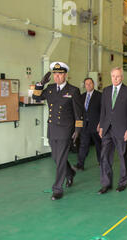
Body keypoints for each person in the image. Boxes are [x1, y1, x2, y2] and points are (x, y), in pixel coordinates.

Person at [32, 62, 84, 200]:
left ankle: (57, 189)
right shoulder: (49, 89)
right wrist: (40, 84)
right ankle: (70, 173)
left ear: (65, 75)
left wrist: (78, 129)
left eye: (60, 74)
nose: (57, 76)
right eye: (55, 74)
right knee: (56, 157)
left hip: (66, 130)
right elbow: (36, 97)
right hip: (52, 128)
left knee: (60, 158)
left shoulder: (73, 90)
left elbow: (79, 112)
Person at [98, 67, 127, 194]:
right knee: (104, 157)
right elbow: (103, 111)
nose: (115, 78)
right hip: (107, 129)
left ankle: (123, 183)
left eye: (118, 76)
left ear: (122, 77)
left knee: (123, 156)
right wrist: (102, 126)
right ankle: (106, 184)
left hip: (122, 129)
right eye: (113, 76)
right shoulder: (106, 91)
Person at [73, 78, 102, 171]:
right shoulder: (82, 97)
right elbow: (79, 113)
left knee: (99, 145)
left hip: (96, 126)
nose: (88, 85)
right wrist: (77, 126)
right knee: (83, 145)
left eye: (90, 83)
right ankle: (80, 164)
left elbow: (104, 111)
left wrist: (101, 124)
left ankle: (102, 163)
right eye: (86, 84)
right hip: (85, 126)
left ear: (93, 84)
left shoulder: (100, 96)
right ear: (84, 85)